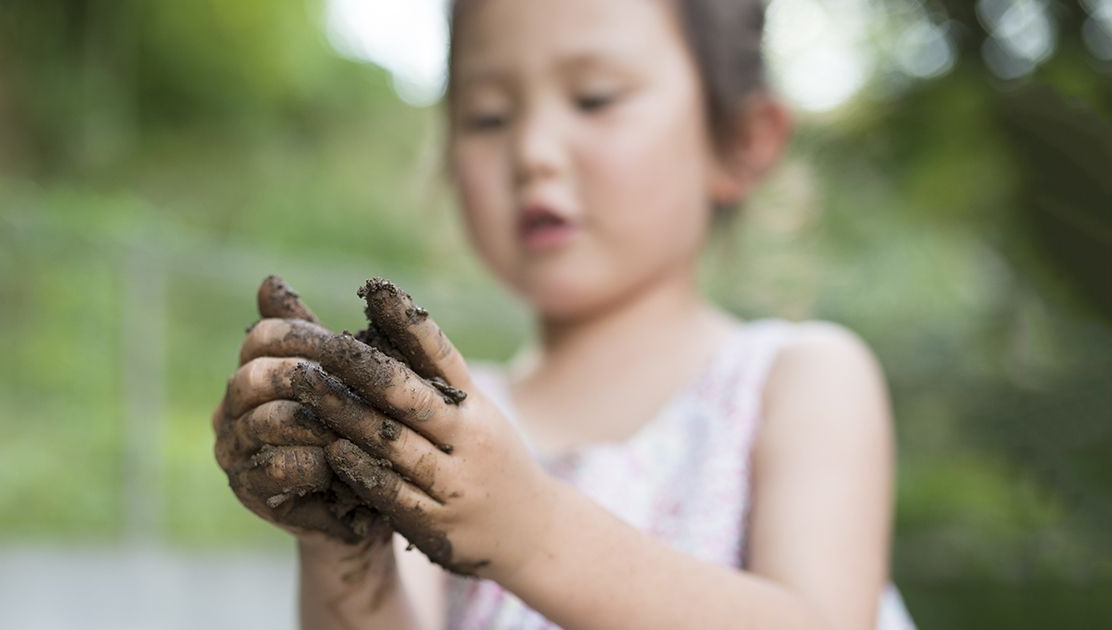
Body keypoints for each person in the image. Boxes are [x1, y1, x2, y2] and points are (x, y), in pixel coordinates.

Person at [211, 0, 917, 628]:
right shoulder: (451, 416)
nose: (532, 152)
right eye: (488, 116)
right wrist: (344, 549)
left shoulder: (800, 382)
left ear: (740, 138)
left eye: (595, 98)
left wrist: (530, 531)